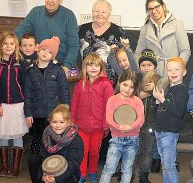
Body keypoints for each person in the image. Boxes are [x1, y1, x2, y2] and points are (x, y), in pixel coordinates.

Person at [24, 36, 71, 183]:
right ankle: (36, 179)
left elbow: (64, 92)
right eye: (43, 49)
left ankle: (53, 178)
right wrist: (28, 113)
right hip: (37, 118)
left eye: (49, 52)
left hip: (53, 119)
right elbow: (28, 94)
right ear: (38, 50)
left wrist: (65, 112)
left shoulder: (58, 71)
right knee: (35, 155)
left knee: (54, 151)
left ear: (53, 56)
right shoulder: (30, 71)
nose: (45, 53)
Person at [0, 31, 29, 178]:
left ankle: (15, 167)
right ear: (0, 45)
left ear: (16, 46)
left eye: (12, 43)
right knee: (2, 134)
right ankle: (4, 166)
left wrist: (26, 104)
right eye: (6, 43)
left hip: (18, 105)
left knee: (17, 135)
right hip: (1, 106)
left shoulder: (20, 64)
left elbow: (25, 85)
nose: (9, 46)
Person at [15, 0, 79, 76]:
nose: (50, 0)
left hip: (59, 66)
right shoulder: (35, 12)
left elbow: (73, 46)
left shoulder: (69, 16)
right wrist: (31, 45)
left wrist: (66, 66)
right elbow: (18, 33)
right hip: (37, 65)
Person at [71, 53, 115, 183]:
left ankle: (93, 171)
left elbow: (109, 106)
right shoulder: (80, 84)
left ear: (101, 67)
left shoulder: (106, 85)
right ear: (85, 67)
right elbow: (74, 104)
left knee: (94, 152)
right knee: (83, 151)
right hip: (81, 126)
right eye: (90, 65)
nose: (93, 68)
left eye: (96, 65)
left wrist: (105, 124)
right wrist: (73, 122)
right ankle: (83, 174)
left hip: (98, 127)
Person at [100, 69, 144, 183]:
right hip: (116, 140)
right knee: (109, 168)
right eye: (125, 85)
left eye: (131, 87)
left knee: (127, 169)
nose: (127, 89)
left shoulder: (137, 101)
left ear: (135, 88)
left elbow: (140, 119)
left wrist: (131, 127)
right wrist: (119, 127)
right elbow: (109, 119)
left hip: (132, 140)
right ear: (119, 83)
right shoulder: (112, 100)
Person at [135, 0, 191, 77]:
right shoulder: (145, 29)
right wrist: (144, 72)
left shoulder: (177, 25)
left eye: (156, 7)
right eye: (150, 9)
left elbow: (185, 51)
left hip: (172, 74)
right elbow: (138, 54)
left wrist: (176, 70)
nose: (154, 11)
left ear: (163, 7)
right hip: (152, 76)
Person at [153, 57, 189, 183]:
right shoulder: (169, 88)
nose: (173, 73)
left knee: (169, 166)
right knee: (165, 165)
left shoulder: (182, 90)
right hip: (160, 130)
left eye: (176, 70)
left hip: (170, 132)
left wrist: (162, 99)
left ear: (184, 72)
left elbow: (178, 111)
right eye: (170, 70)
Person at [79, 0, 130, 85]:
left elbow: (125, 58)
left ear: (109, 14)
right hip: (85, 81)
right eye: (96, 11)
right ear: (92, 12)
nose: (99, 14)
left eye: (103, 12)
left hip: (110, 82)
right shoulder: (81, 30)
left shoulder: (118, 32)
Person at [39, 104, 84, 183]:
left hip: (69, 174)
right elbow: (43, 158)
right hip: (50, 172)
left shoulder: (76, 140)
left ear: (68, 123)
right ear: (50, 123)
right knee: (33, 160)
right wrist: (44, 175)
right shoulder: (46, 137)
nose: (58, 125)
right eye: (54, 122)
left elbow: (73, 163)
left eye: (62, 122)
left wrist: (56, 179)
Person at [136, 49, 159, 183]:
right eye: (143, 65)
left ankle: (144, 175)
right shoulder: (134, 78)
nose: (146, 68)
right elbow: (125, 96)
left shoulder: (160, 80)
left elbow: (166, 97)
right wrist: (139, 95)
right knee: (133, 150)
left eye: (149, 65)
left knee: (148, 151)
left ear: (154, 66)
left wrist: (156, 89)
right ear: (139, 66)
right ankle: (128, 172)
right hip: (134, 124)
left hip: (151, 123)